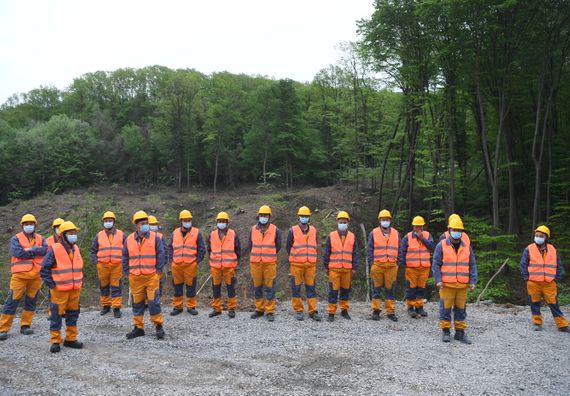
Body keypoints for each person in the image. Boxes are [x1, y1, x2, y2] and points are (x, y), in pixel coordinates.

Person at [0, 214, 47, 341]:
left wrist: (29, 251)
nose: (29, 226)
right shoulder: (16, 238)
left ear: (35, 225)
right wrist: (35, 250)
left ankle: (25, 325)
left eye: (31, 224)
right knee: (11, 301)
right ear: (22, 226)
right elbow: (18, 253)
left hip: (36, 275)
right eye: (26, 224)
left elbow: (45, 251)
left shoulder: (41, 238)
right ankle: (3, 328)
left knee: (31, 301)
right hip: (19, 276)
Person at [40, 221, 84, 353]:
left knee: (73, 315)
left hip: (75, 289)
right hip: (59, 291)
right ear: (63, 235)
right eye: (71, 233)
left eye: (74, 233)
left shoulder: (76, 248)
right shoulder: (55, 249)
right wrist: (52, 284)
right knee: (56, 316)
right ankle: (55, 341)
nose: (73, 235)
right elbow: (44, 269)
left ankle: (71, 339)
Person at [432, 218, 477, 344]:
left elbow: (472, 264)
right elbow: (436, 264)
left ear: (462, 232)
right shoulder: (441, 245)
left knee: (461, 310)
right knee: (445, 309)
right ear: (449, 230)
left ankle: (460, 333)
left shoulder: (467, 247)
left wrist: (473, 280)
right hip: (447, 284)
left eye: (459, 230)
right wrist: (438, 280)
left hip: (462, 285)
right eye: (454, 230)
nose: (457, 232)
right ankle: (446, 331)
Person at [122, 210, 166, 340]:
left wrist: (158, 270)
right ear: (136, 225)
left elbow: (161, 254)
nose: (145, 225)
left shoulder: (155, 237)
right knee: (137, 304)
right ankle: (138, 328)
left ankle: (158, 326)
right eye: (142, 223)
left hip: (151, 276)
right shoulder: (129, 239)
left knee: (154, 303)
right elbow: (125, 256)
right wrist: (127, 271)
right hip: (135, 277)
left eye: (146, 223)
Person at [520, 225, 569, 332]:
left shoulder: (552, 249)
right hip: (533, 282)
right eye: (536, 235)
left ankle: (562, 325)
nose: (538, 237)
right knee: (534, 303)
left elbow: (558, 265)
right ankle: (537, 323)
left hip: (549, 282)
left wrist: (557, 278)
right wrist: (526, 277)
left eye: (541, 235)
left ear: (546, 237)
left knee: (554, 304)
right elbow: (523, 264)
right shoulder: (529, 249)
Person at [286, 206, 321, 321]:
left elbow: (315, 245)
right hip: (296, 265)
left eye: (306, 216)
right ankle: (299, 310)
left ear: (309, 217)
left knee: (311, 288)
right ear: (298, 217)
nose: (304, 218)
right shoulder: (293, 230)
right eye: (302, 216)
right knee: (296, 288)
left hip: (310, 265)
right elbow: (288, 247)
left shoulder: (314, 230)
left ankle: (313, 310)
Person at [323, 211, 359, 322]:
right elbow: (327, 252)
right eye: (340, 222)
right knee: (333, 291)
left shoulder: (352, 236)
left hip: (347, 269)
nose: (342, 224)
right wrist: (326, 267)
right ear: (337, 222)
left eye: (344, 222)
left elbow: (355, 253)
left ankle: (344, 310)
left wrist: (354, 267)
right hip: (334, 268)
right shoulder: (331, 236)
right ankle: (331, 312)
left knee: (345, 291)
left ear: (348, 222)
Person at [169, 210, 206, 316]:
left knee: (191, 287)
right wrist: (172, 259)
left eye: (189, 220)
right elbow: (169, 247)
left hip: (190, 265)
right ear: (181, 221)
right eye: (185, 220)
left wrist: (196, 261)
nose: (187, 222)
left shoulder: (196, 232)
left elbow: (202, 248)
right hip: (177, 265)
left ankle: (191, 306)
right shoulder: (175, 232)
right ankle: (178, 307)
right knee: (177, 286)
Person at [90, 211, 126, 318]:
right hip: (102, 265)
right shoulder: (99, 235)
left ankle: (116, 308)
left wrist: (125, 261)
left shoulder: (121, 234)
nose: (108, 223)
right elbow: (93, 250)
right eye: (106, 221)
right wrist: (96, 262)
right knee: (104, 286)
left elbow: (127, 249)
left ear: (114, 222)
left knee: (116, 287)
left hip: (117, 265)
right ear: (103, 222)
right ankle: (106, 306)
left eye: (110, 221)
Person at [398, 216, 435, 318]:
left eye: (420, 226)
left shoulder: (427, 235)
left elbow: (432, 247)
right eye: (416, 226)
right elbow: (402, 252)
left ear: (423, 227)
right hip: (412, 268)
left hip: (424, 267)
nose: (418, 228)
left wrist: (422, 238)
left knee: (421, 288)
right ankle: (410, 307)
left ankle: (419, 307)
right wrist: (405, 264)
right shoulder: (407, 237)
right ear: (413, 227)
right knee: (411, 288)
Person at [249, 205, 281, 322]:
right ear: (258, 216)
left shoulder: (275, 230)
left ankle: (270, 310)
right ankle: (259, 309)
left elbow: (278, 246)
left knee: (270, 287)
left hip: (269, 263)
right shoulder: (253, 229)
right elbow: (250, 244)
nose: (263, 217)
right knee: (257, 287)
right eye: (261, 215)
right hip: (255, 263)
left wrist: (268, 254)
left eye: (265, 215)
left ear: (269, 216)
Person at [207, 212, 241, 319]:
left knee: (230, 288)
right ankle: (216, 309)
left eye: (223, 221)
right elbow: (209, 249)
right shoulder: (212, 234)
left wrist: (234, 262)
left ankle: (231, 309)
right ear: (217, 222)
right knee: (215, 288)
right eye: (219, 221)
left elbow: (238, 250)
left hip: (229, 267)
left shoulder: (233, 234)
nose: (221, 223)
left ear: (227, 222)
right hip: (215, 267)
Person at [367, 209, 400, 321]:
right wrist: (372, 262)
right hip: (378, 265)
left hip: (391, 266)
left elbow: (399, 249)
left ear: (390, 220)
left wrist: (397, 262)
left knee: (390, 290)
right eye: (383, 219)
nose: (385, 221)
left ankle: (390, 312)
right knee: (376, 289)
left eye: (387, 219)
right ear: (380, 220)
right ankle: (376, 311)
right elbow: (369, 249)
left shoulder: (396, 233)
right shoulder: (374, 233)